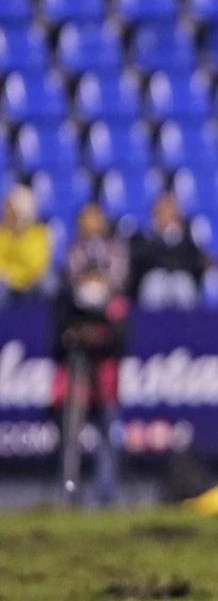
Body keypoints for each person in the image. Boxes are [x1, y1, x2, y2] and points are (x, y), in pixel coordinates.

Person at [53, 202, 130, 506]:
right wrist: (79, 335)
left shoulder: (115, 306)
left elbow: (119, 340)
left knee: (108, 434)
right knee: (71, 435)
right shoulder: (67, 300)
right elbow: (62, 338)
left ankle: (106, 493)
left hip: (106, 377)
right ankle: (69, 490)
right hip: (75, 376)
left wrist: (98, 337)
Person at [128, 193, 212, 310]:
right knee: (155, 282)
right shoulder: (143, 235)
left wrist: (175, 239)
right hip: (154, 280)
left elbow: (195, 262)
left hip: (180, 278)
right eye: (163, 211)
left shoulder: (188, 236)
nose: (167, 216)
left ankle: (188, 325)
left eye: (171, 211)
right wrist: (160, 239)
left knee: (182, 283)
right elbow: (139, 261)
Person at [0, 184, 52, 306]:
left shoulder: (40, 233)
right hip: (7, 280)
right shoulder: (2, 232)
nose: (5, 211)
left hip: (32, 281)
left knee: (49, 284)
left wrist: (16, 277)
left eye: (10, 208)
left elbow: (36, 266)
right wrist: (11, 276)